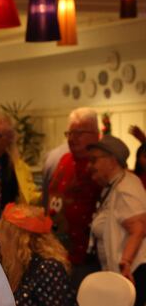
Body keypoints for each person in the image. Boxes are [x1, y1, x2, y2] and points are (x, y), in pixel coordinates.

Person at [86, 135, 146, 306]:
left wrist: (125, 263)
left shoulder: (126, 186)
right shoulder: (115, 185)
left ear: (112, 160)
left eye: (95, 160)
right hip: (125, 272)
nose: (91, 166)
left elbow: (138, 226)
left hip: (132, 272)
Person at [47, 108, 102, 283]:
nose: (71, 138)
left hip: (88, 258)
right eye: (69, 133)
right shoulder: (64, 160)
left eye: (78, 133)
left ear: (96, 134)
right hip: (59, 253)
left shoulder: (101, 166)